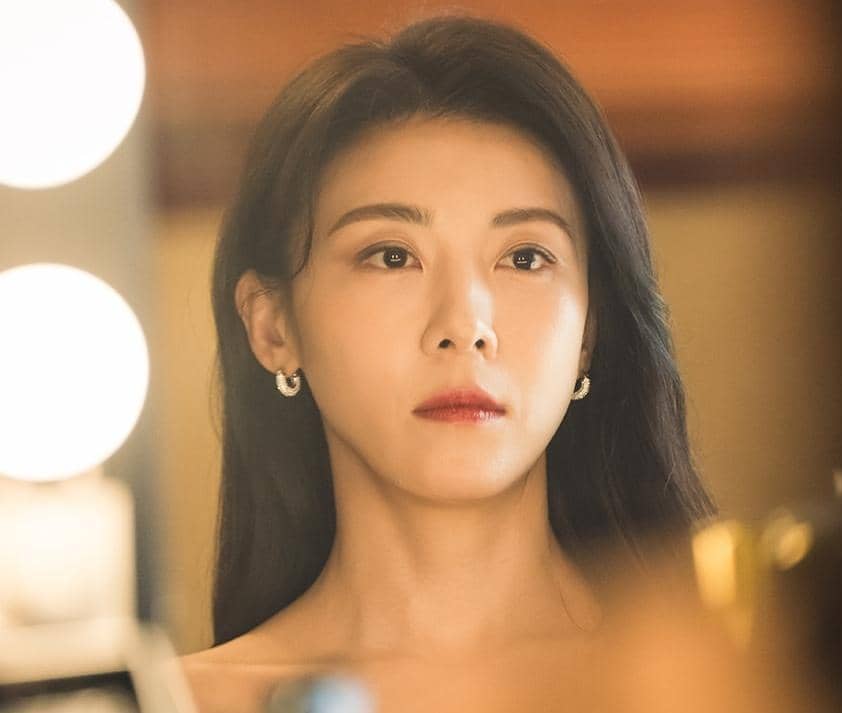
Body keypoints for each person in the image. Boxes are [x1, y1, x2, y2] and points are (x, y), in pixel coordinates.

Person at [180, 13, 717, 713]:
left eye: (525, 257)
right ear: (272, 326)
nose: (465, 326)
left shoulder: (727, 682)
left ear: (591, 331)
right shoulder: (182, 700)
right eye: (391, 256)